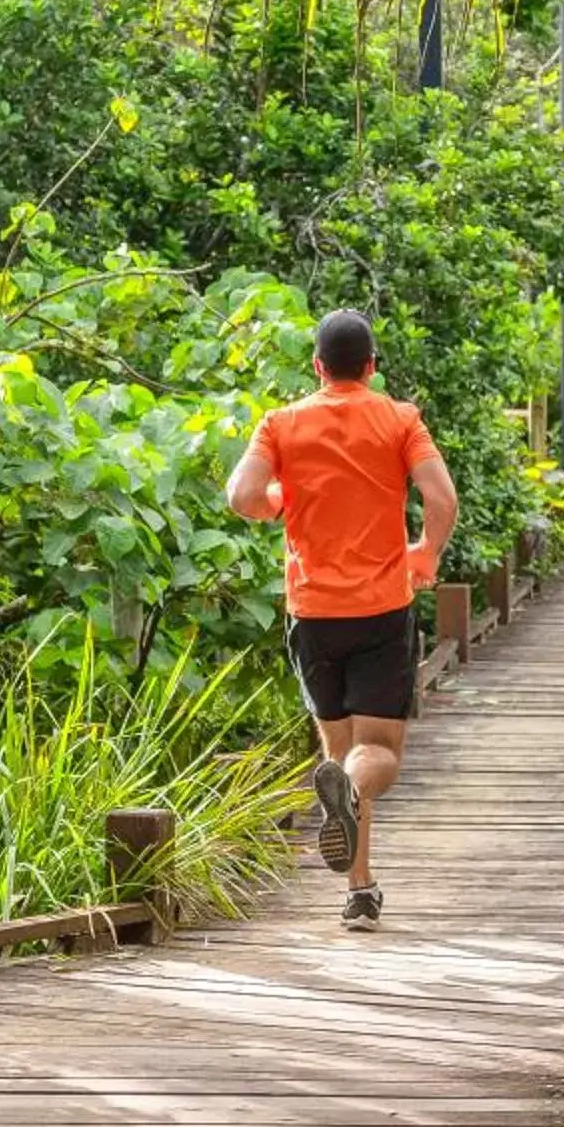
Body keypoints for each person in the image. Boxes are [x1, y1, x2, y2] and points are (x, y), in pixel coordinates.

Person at [225, 307, 458, 930]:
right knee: (376, 751)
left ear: (317, 367)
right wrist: (425, 552)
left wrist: (278, 503)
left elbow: (241, 495)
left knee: (341, 752)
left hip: (313, 613)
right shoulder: (400, 419)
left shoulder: (281, 424)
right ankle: (352, 829)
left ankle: (359, 890)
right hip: (382, 607)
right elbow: (442, 498)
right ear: (373, 367)